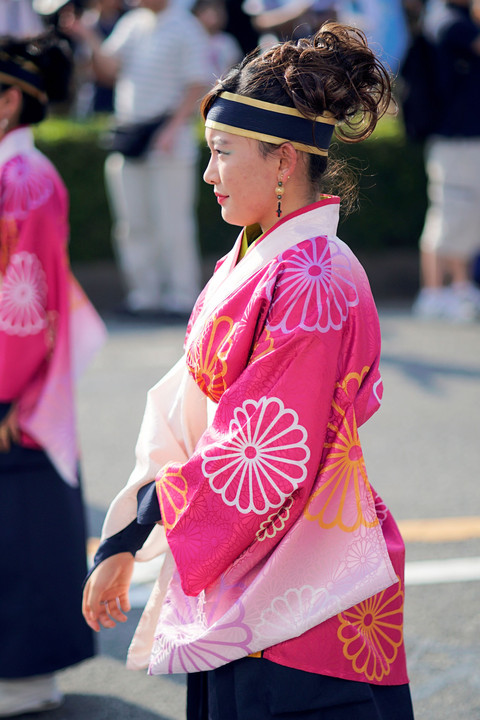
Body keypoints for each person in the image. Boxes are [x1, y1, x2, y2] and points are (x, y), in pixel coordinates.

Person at [83, 22, 415, 719]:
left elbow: (255, 450)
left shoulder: (310, 278)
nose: (208, 173)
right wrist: (128, 533)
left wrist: (144, 528)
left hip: (300, 577)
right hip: (260, 560)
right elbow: (185, 400)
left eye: (221, 153)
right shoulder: (260, 259)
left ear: (284, 160)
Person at [0, 32, 106, 717]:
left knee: (22, 527)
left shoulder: (26, 180)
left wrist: (5, 393)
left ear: (11, 100)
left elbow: (24, 305)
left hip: (17, 389)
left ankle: (25, 674)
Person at [65, 0, 212, 320]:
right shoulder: (132, 22)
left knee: (172, 222)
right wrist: (87, 36)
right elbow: (109, 70)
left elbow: (197, 82)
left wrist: (172, 129)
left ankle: (180, 297)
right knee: (132, 223)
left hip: (168, 140)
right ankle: (143, 295)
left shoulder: (185, 26)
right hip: (130, 135)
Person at [412, 0, 480, 321]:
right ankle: (434, 292)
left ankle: (459, 287)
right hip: (452, 137)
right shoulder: (444, 19)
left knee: (467, 213)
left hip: (466, 137)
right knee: (449, 211)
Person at [193, 0, 242, 78]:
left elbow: (234, 66)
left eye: (218, 13)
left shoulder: (227, 41)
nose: (214, 18)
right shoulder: (191, 40)